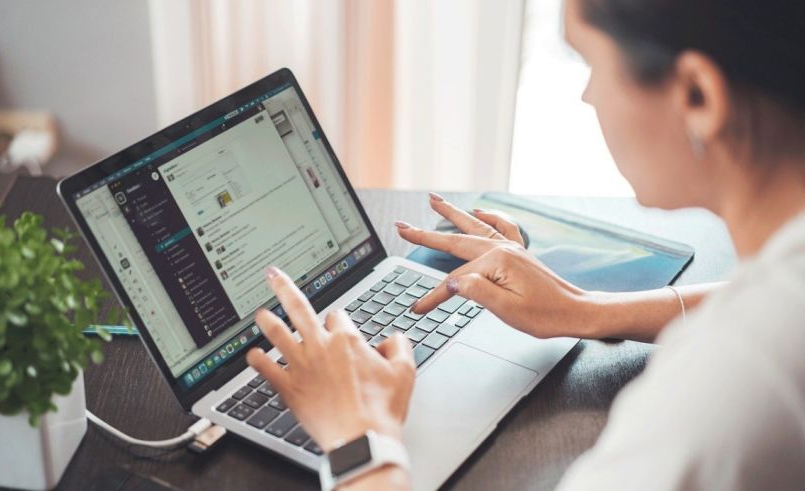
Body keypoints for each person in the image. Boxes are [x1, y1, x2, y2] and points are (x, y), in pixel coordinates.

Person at [246, 0, 805, 488]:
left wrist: (358, 441)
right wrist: (588, 309)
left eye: (590, 62)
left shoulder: (729, 387)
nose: (587, 97)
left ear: (698, 95)